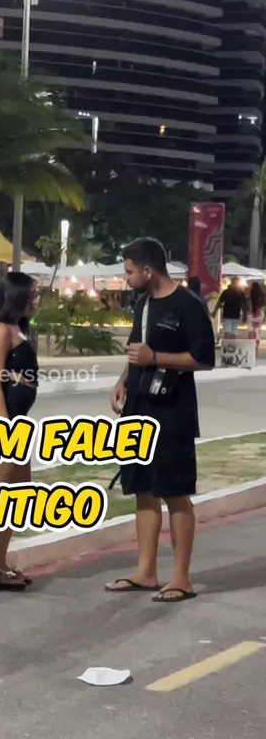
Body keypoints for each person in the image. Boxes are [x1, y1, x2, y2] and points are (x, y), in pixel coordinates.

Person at [106, 238, 215, 603]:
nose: (126, 278)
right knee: (143, 489)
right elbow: (136, 352)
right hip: (138, 407)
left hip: (172, 412)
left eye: (129, 271)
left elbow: (204, 359)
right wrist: (122, 382)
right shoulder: (143, 304)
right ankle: (145, 571)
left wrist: (156, 357)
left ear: (148, 270)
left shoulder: (188, 305)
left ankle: (181, 578)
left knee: (174, 492)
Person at [0, 273, 39, 591]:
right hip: (4, 421)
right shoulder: (0, 330)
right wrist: (4, 425)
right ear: (17, 296)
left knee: (18, 494)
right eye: (32, 295)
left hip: (18, 420)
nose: (36, 300)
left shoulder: (20, 330)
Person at [247, 281, 264, 354]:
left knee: (251, 332)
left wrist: (251, 312)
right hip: (259, 315)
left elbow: (249, 305)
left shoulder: (250, 296)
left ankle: (251, 349)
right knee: (257, 333)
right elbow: (261, 305)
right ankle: (256, 350)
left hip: (251, 315)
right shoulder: (262, 295)